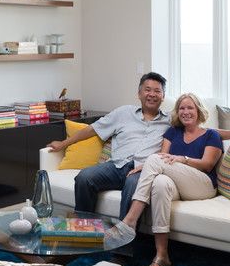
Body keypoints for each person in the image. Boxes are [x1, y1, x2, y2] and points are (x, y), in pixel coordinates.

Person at [117, 92, 224, 266]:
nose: (186, 112)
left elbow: (207, 165)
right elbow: (161, 159)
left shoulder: (211, 135)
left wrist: (182, 159)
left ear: (198, 110)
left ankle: (130, 219)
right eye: (182, 108)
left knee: (155, 162)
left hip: (202, 185)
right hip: (176, 184)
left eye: (190, 107)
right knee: (159, 183)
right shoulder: (173, 132)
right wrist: (145, 166)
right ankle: (161, 255)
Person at [47, 72, 169, 219]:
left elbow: (191, 117)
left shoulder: (170, 121)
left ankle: (124, 237)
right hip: (116, 166)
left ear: (163, 96)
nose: (152, 94)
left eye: (157, 91)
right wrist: (63, 144)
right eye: (147, 89)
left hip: (142, 170)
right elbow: (93, 129)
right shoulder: (124, 112)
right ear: (139, 93)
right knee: (84, 177)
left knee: (133, 185)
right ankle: (84, 228)